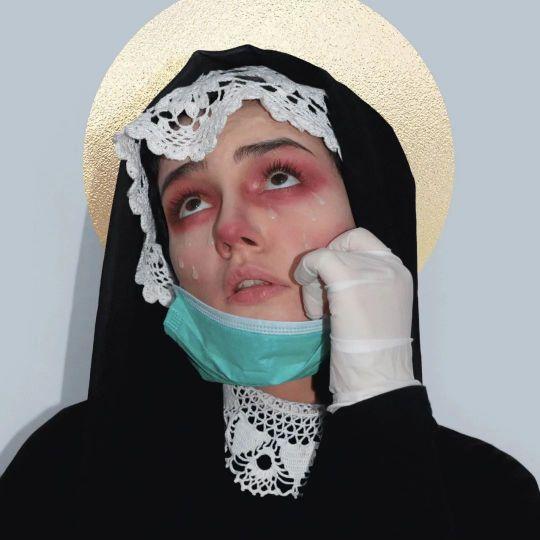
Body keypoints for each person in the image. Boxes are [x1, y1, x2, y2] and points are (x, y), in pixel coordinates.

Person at [0, 44, 539, 538]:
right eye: (190, 202)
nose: (231, 229)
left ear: (366, 205)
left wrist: (379, 396)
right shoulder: (64, 468)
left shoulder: (490, 497)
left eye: (279, 176)